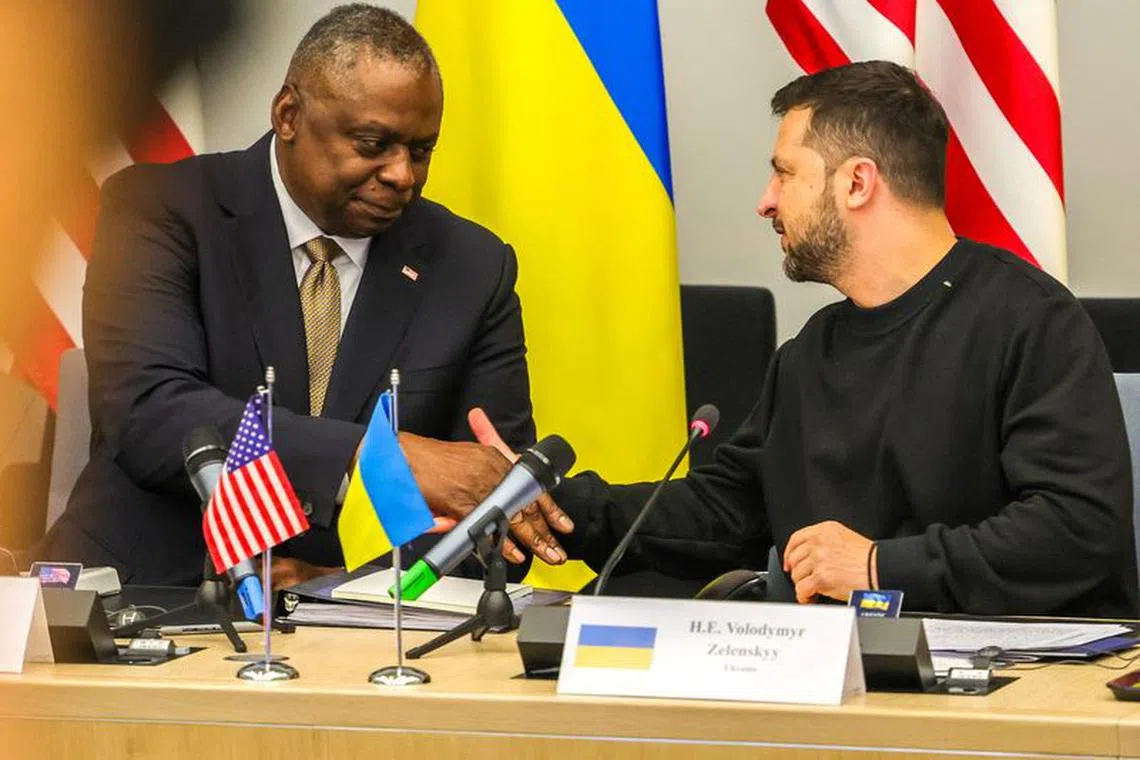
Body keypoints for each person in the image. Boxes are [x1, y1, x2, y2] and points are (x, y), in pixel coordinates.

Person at [470, 60, 1138, 617]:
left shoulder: (1030, 319)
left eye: (784, 172)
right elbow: (729, 509)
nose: (765, 200)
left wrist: (879, 564)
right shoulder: (815, 348)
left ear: (856, 182)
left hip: (1024, 689)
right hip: (848, 683)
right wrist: (561, 507)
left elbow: (1078, 528)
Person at [36, 4, 572, 586]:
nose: (403, 176)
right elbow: (153, 413)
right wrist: (379, 460)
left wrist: (344, 582)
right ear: (289, 114)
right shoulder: (162, 209)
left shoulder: (472, 266)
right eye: (373, 144)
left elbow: (496, 509)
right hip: (150, 593)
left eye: (421, 151)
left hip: (371, 629)